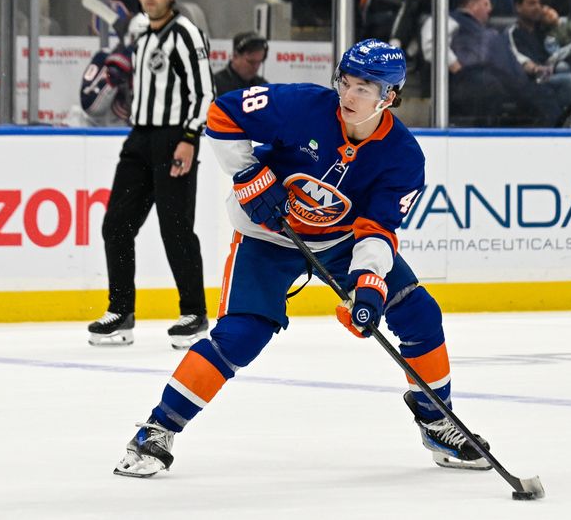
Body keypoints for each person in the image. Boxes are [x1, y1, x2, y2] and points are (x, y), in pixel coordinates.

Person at [112, 39, 492, 478]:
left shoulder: (403, 157)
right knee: (240, 335)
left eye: (363, 88)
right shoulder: (301, 105)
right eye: (345, 82)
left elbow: (378, 228)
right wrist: (248, 173)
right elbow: (221, 114)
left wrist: (368, 284)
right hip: (267, 234)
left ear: (389, 97)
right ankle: (157, 429)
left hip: (342, 242)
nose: (348, 96)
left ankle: (437, 420)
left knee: (419, 312)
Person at [88, 0, 214, 350]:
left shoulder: (186, 33)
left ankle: (194, 312)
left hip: (175, 137)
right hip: (139, 138)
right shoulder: (141, 31)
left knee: (175, 227)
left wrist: (189, 138)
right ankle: (121, 312)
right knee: (116, 224)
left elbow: (205, 93)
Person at [420, 0, 563, 126]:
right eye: (486, 4)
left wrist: (529, 66)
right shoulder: (450, 19)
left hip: (510, 82)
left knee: (545, 94)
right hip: (473, 81)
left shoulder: (490, 32)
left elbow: (513, 54)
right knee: (491, 88)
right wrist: (456, 67)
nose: (490, 9)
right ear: (472, 4)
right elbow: (432, 42)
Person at [506, 0, 571, 110]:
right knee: (569, 80)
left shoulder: (543, 30)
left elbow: (562, 48)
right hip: (530, 81)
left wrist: (556, 22)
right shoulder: (513, 33)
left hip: (549, 75)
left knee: (565, 68)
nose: (538, 7)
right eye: (532, 3)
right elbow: (522, 61)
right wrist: (538, 69)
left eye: (539, 3)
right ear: (518, 6)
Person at [213, 31, 269, 96]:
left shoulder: (263, 87)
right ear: (235, 56)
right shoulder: (215, 85)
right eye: (251, 62)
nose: (256, 67)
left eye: (259, 62)